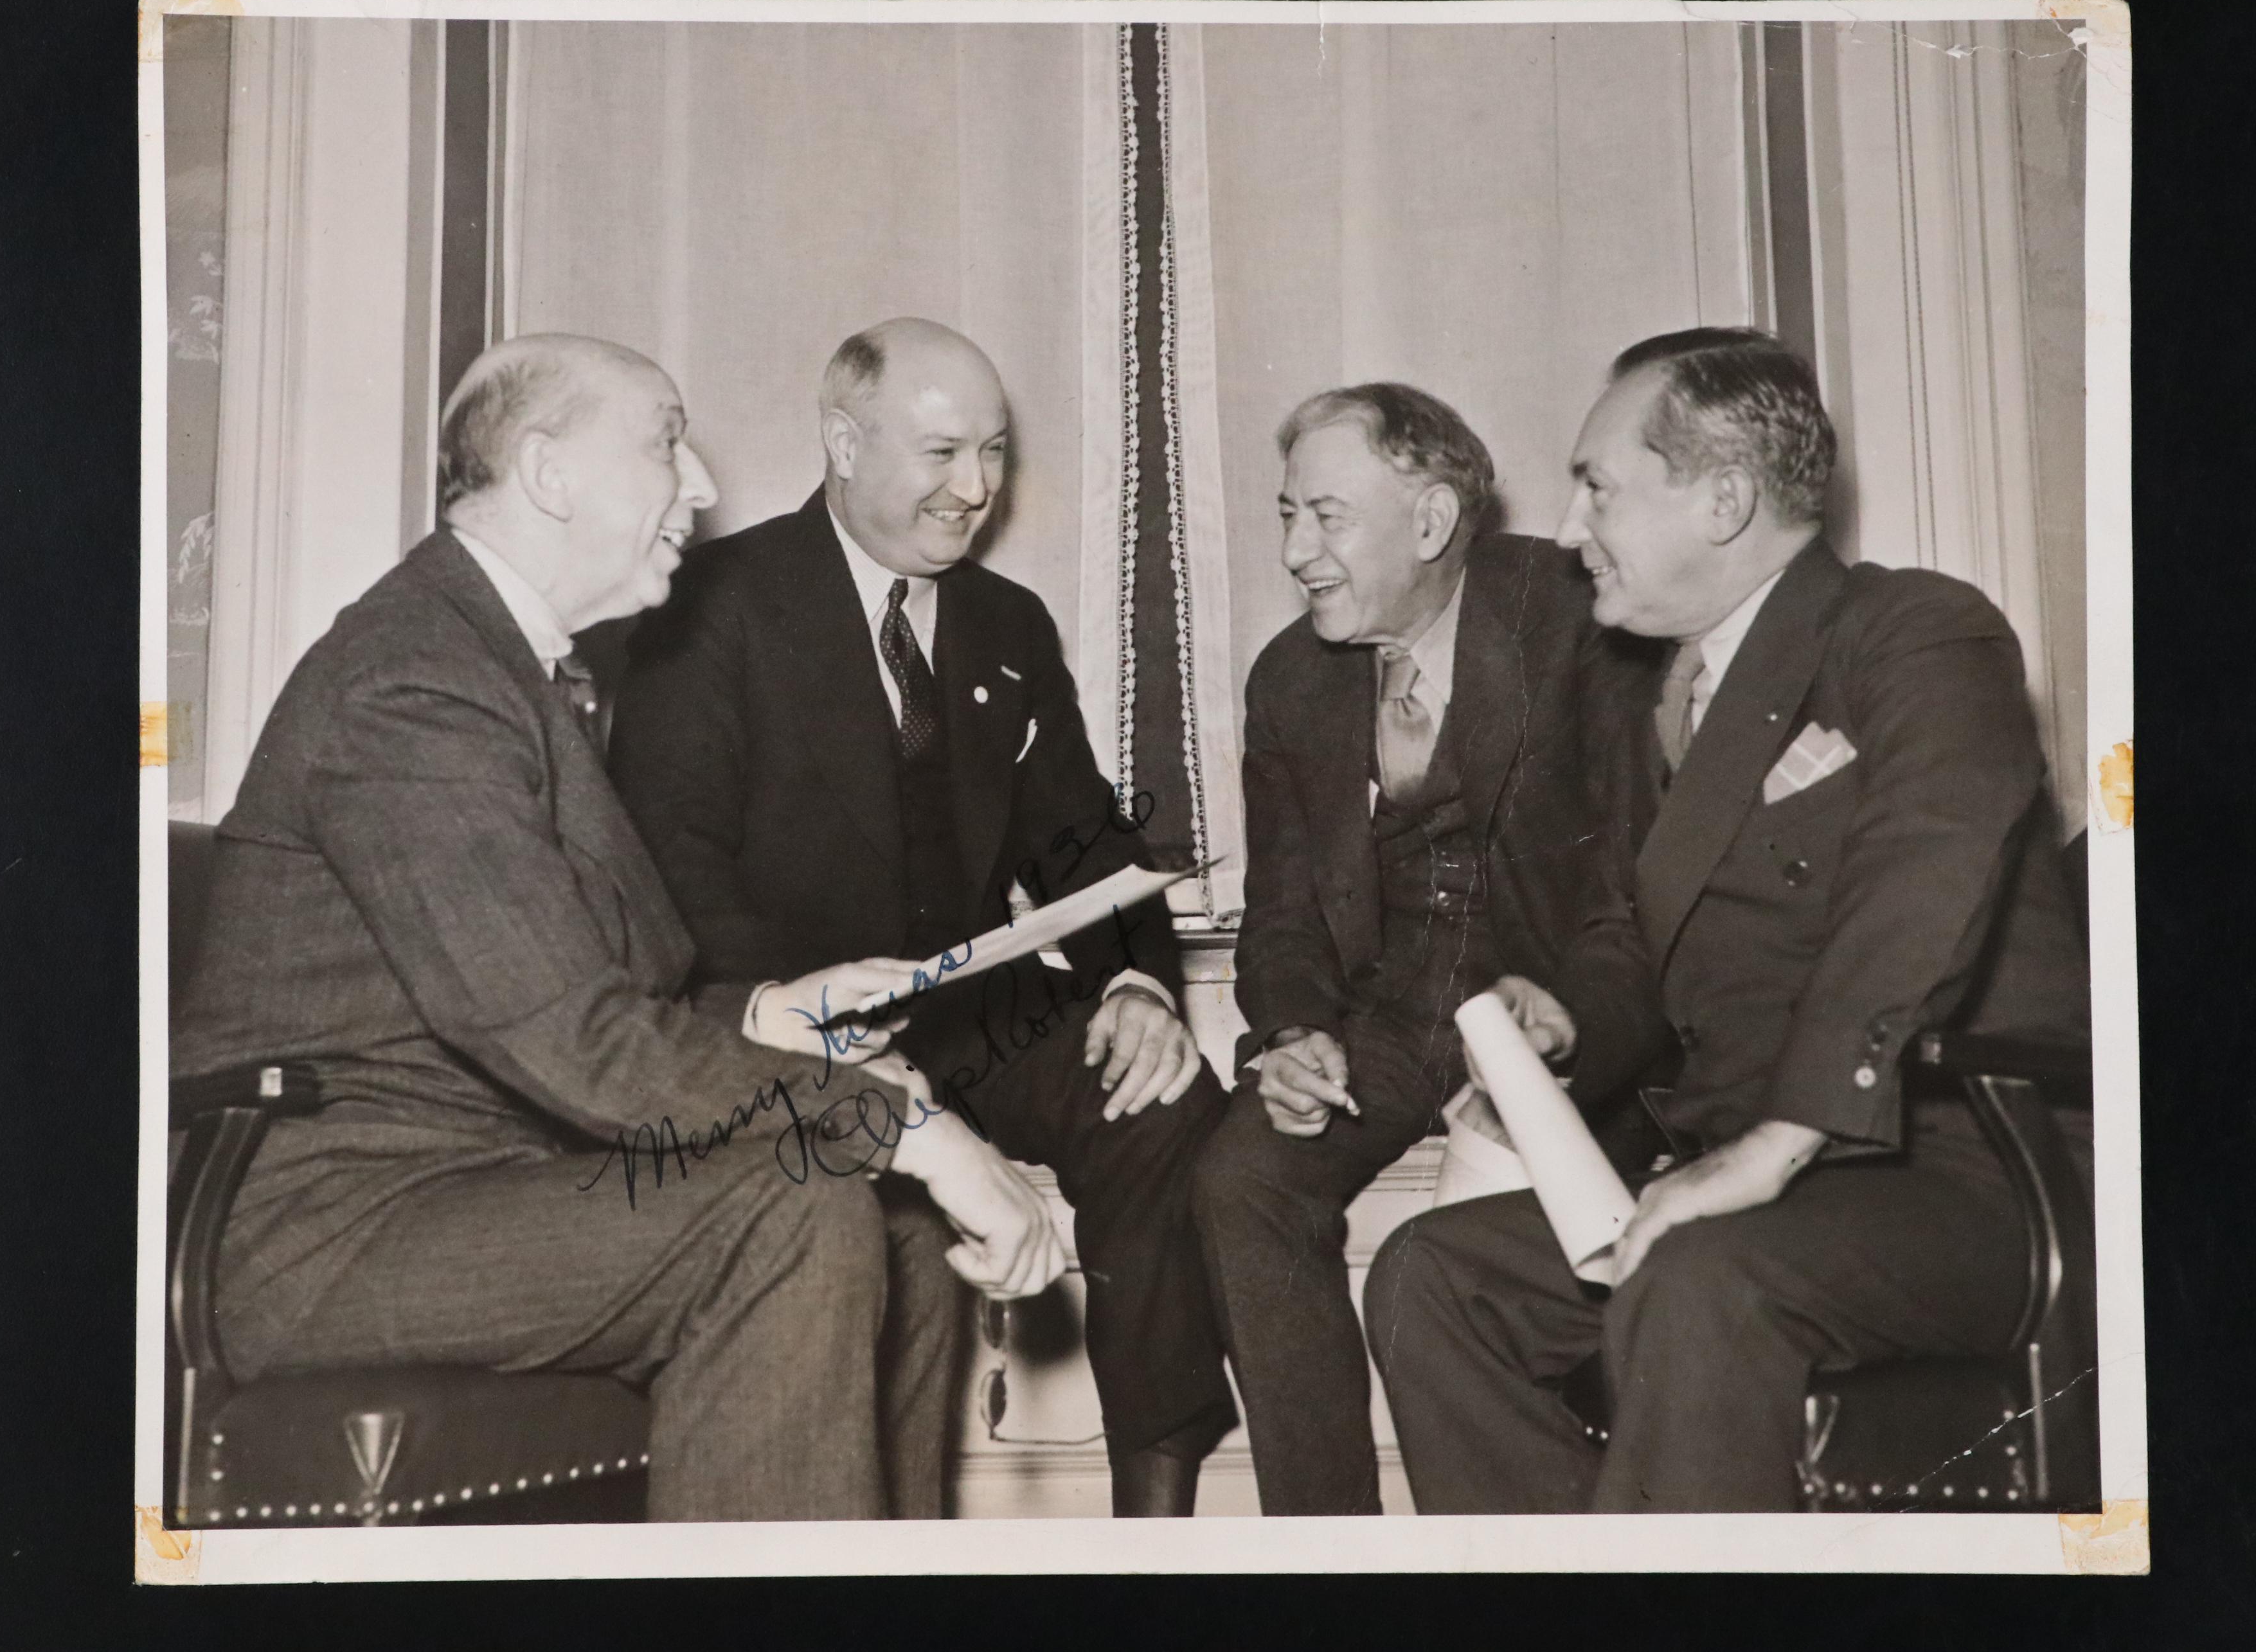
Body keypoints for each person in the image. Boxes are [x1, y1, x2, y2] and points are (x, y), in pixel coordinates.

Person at [172, 333, 1063, 1523]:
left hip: (484, 1178)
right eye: (665, 444)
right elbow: (573, 1039)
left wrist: (760, 1015)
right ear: (548, 473)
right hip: (335, 1219)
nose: (699, 484)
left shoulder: (514, 673)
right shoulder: (415, 680)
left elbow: (569, 994)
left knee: (891, 1228)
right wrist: (915, 1125)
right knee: (793, 1215)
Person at [1363, 326, 2090, 1513]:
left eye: (1598, 485)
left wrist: (1771, 1145)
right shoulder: (1664, 700)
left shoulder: (1919, 633)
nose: (1567, 529)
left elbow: (1919, 885)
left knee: (1702, 1279)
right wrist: (1563, 1025)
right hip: (1756, 1189)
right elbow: (1643, 950)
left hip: (1973, 1176)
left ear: (1724, 500)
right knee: (1429, 1276)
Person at [607, 317, 1237, 1515]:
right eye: (943, 452)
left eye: (994, 453)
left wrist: (1137, 985)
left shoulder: (1006, 621)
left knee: (1166, 1102)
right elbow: (677, 873)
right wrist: (829, 1044)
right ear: (842, 443)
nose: (977, 489)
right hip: (795, 1032)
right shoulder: (711, 610)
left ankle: (1155, 1532)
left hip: (972, 1018)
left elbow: (1082, 840)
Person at [1188, 383, 1633, 1514]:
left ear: (1432, 522)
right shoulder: (1292, 679)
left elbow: (1643, 874)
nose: (1296, 551)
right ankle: (1326, 1545)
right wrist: (1290, 1035)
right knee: (1242, 1179)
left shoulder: (1576, 616)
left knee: (1496, 1251)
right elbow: (1284, 908)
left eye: (1325, 517)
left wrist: (1571, 1016)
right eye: (1289, 514)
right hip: (1389, 1011)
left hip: (1556, 997)